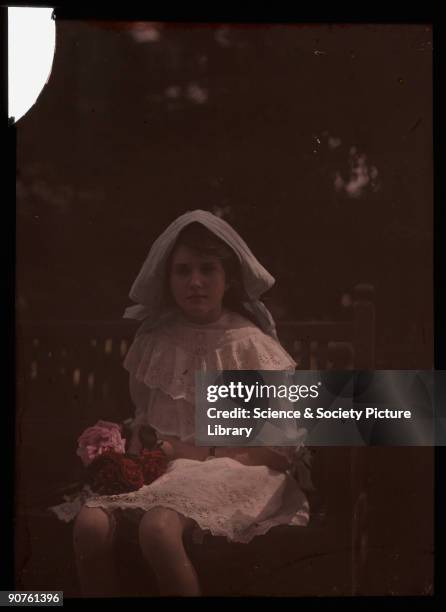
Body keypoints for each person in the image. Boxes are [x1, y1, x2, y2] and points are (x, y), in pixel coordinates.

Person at [72, 210, 310, 597]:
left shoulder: (249, 346)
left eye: (207, 270)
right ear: (168, 279)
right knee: (89, 527)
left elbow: (277, 453)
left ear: (228, 278)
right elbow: (145, 421)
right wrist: (127, 456)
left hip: (236, 471)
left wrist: (191, 451)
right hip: (166, 471)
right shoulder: (156, 341)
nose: (195, 282)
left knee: (159, 529)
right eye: (182, 271)